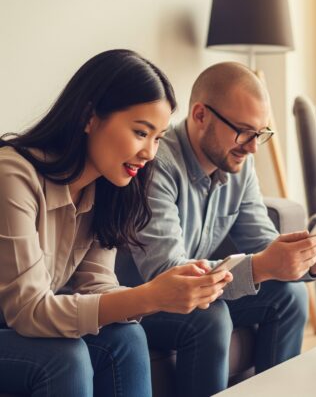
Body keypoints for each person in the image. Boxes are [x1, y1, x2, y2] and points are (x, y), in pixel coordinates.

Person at [115, 61, 316, 396]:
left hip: (196, 292)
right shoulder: (156, 164)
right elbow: (167, 273)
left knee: (289, 296)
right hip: (142, 299)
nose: (253, 147)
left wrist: (314, 260)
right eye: (244, 131)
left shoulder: (236, 164)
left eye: (261, 133)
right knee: (210, 317)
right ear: (200, 115)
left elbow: (262, 240)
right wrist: (264, 266)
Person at [0, 50, 232, 397]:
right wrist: (150, 296)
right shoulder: (12, 175)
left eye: (158, 138)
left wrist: (164, 292)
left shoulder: (106, 190)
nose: (150, 153)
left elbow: (96, 286)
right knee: (66, 357)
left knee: (124, 336)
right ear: (88, 116)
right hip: (13, 321)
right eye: (141, 132)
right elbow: (28, 311)